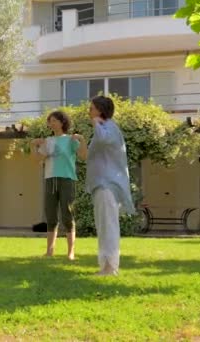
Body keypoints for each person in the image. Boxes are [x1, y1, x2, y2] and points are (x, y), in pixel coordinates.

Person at [86, 96, 135, 276]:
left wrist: (96, 124)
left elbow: (103, 140)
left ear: (100, 110)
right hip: (101, 183)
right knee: (103, 225)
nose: (89, 111)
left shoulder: (108, 128)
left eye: (91, 108)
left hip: (107, 184)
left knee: (108, 225)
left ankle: (110, 267)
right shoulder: (105, 127)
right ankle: (105, 266)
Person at [30, 111, 87, 260]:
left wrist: (82, 140)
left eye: (54, 120)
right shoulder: (47, 141)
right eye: (50, 121)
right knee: (50, 215)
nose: (52, 123)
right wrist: (33, 146)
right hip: (50, 179)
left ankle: (71, 252)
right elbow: (37, 159)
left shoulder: (70, 140)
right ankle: (50, 251)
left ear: (62, 122)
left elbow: (83, 156)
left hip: (67, 179)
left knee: (67, 215)